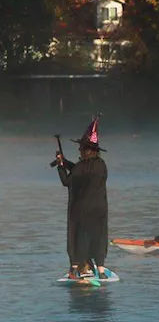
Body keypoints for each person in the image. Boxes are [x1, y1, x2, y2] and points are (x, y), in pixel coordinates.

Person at [54, 116, 109, 279]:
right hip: (99, 209)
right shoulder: (101, 165)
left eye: (81, 148)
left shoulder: (80, 168)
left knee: (79, 236)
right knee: (98, 235)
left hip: (82, 210)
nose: (79, 150)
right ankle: (100, 269)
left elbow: (67, 181)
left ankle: (76, 268)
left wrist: (60, 166)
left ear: (87, 150)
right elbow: (81, 172)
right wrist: (67, 163)